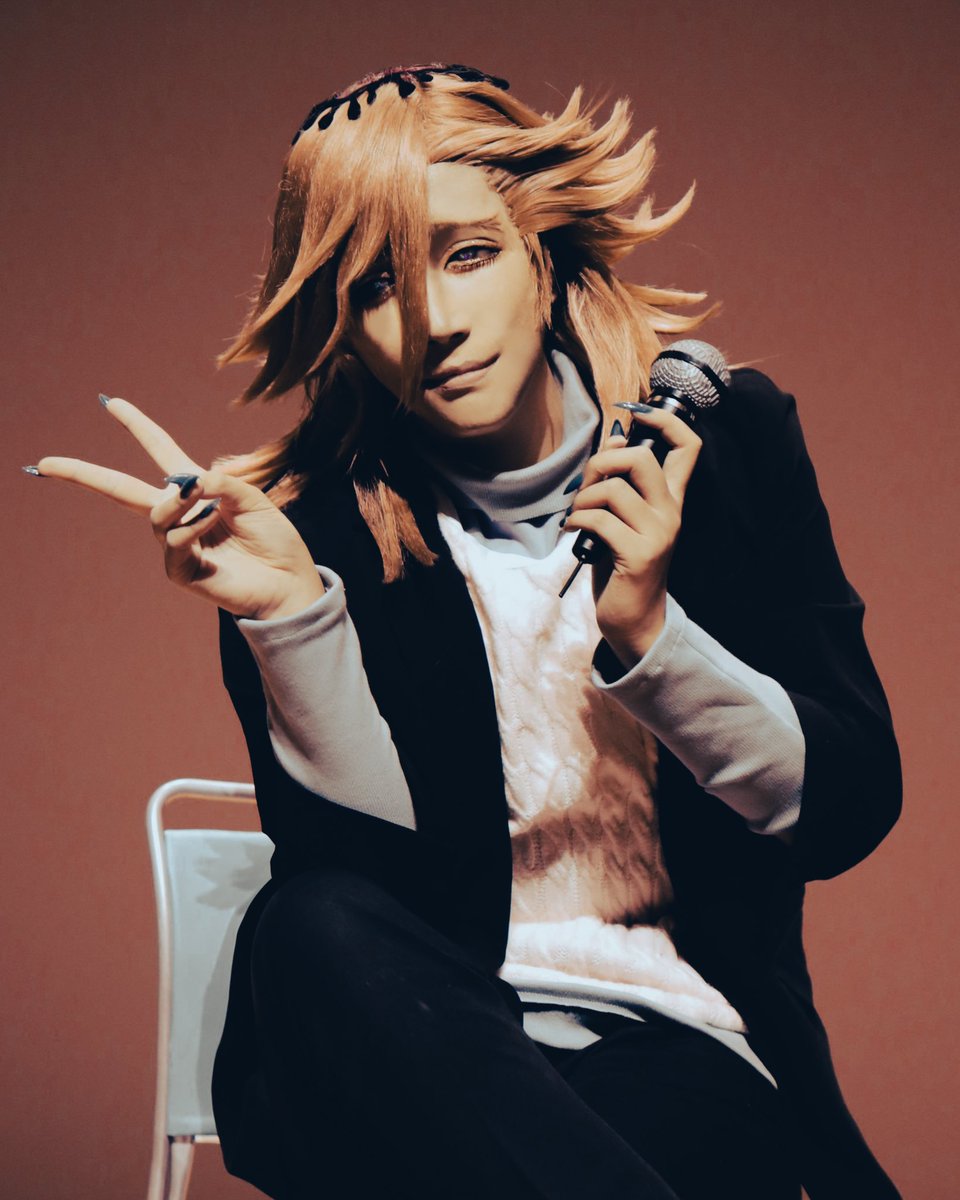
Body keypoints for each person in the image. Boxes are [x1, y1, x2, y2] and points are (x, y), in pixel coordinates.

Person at [29, 64, 902, 1199]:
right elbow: (373, 900)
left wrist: (651, 633)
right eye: (377, 287)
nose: (435, 322)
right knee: (311, 919)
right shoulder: (306, 530)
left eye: (468, 254)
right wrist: (296, 622)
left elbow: (844, 806)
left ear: (542, 252)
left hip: (676, 1046)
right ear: (342, 326)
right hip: (418, 1051)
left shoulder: (723, 447)